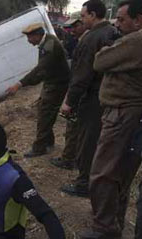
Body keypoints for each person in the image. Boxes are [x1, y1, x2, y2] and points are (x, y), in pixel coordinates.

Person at [78, 1, 142, 238]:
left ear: (139, 20)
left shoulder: (137, 40)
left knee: (103, 172)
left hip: (122, 113)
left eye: (123, 19)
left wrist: (109, 53)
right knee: (120, 173)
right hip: (128, 114)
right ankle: (114, 223)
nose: (117, 23)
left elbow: (100, 61)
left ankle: (105, 228)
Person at [60, 0, 118, 198]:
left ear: (93, 15)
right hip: (106, 96)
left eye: (83, 16)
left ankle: (84, 183)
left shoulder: (92, 37)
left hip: (92, 98)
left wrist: (69, 101)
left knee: (87, 141)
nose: (82, 20)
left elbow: (82, 75)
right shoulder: (111, 32)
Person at [6, 23, 70, 158]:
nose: (28, 41)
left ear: (36, 35)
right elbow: (43, 71)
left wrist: (19, 84)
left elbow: (40, 69)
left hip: (57, 84)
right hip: (52, 82)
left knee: (45, 114)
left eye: (29, 38)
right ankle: (48, 141)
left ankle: (39, 147)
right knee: (44, 110)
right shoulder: (47, 41)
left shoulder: (49, 45)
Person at [50, 18, 87, 170]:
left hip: (80, 93)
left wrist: (70, 100)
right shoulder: (80, 40)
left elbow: (81, 74)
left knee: (72, 128)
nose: (72, 30)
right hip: (81, 91)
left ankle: (68, 159)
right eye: (70, 28)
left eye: (75, 26)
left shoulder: (86, 42)